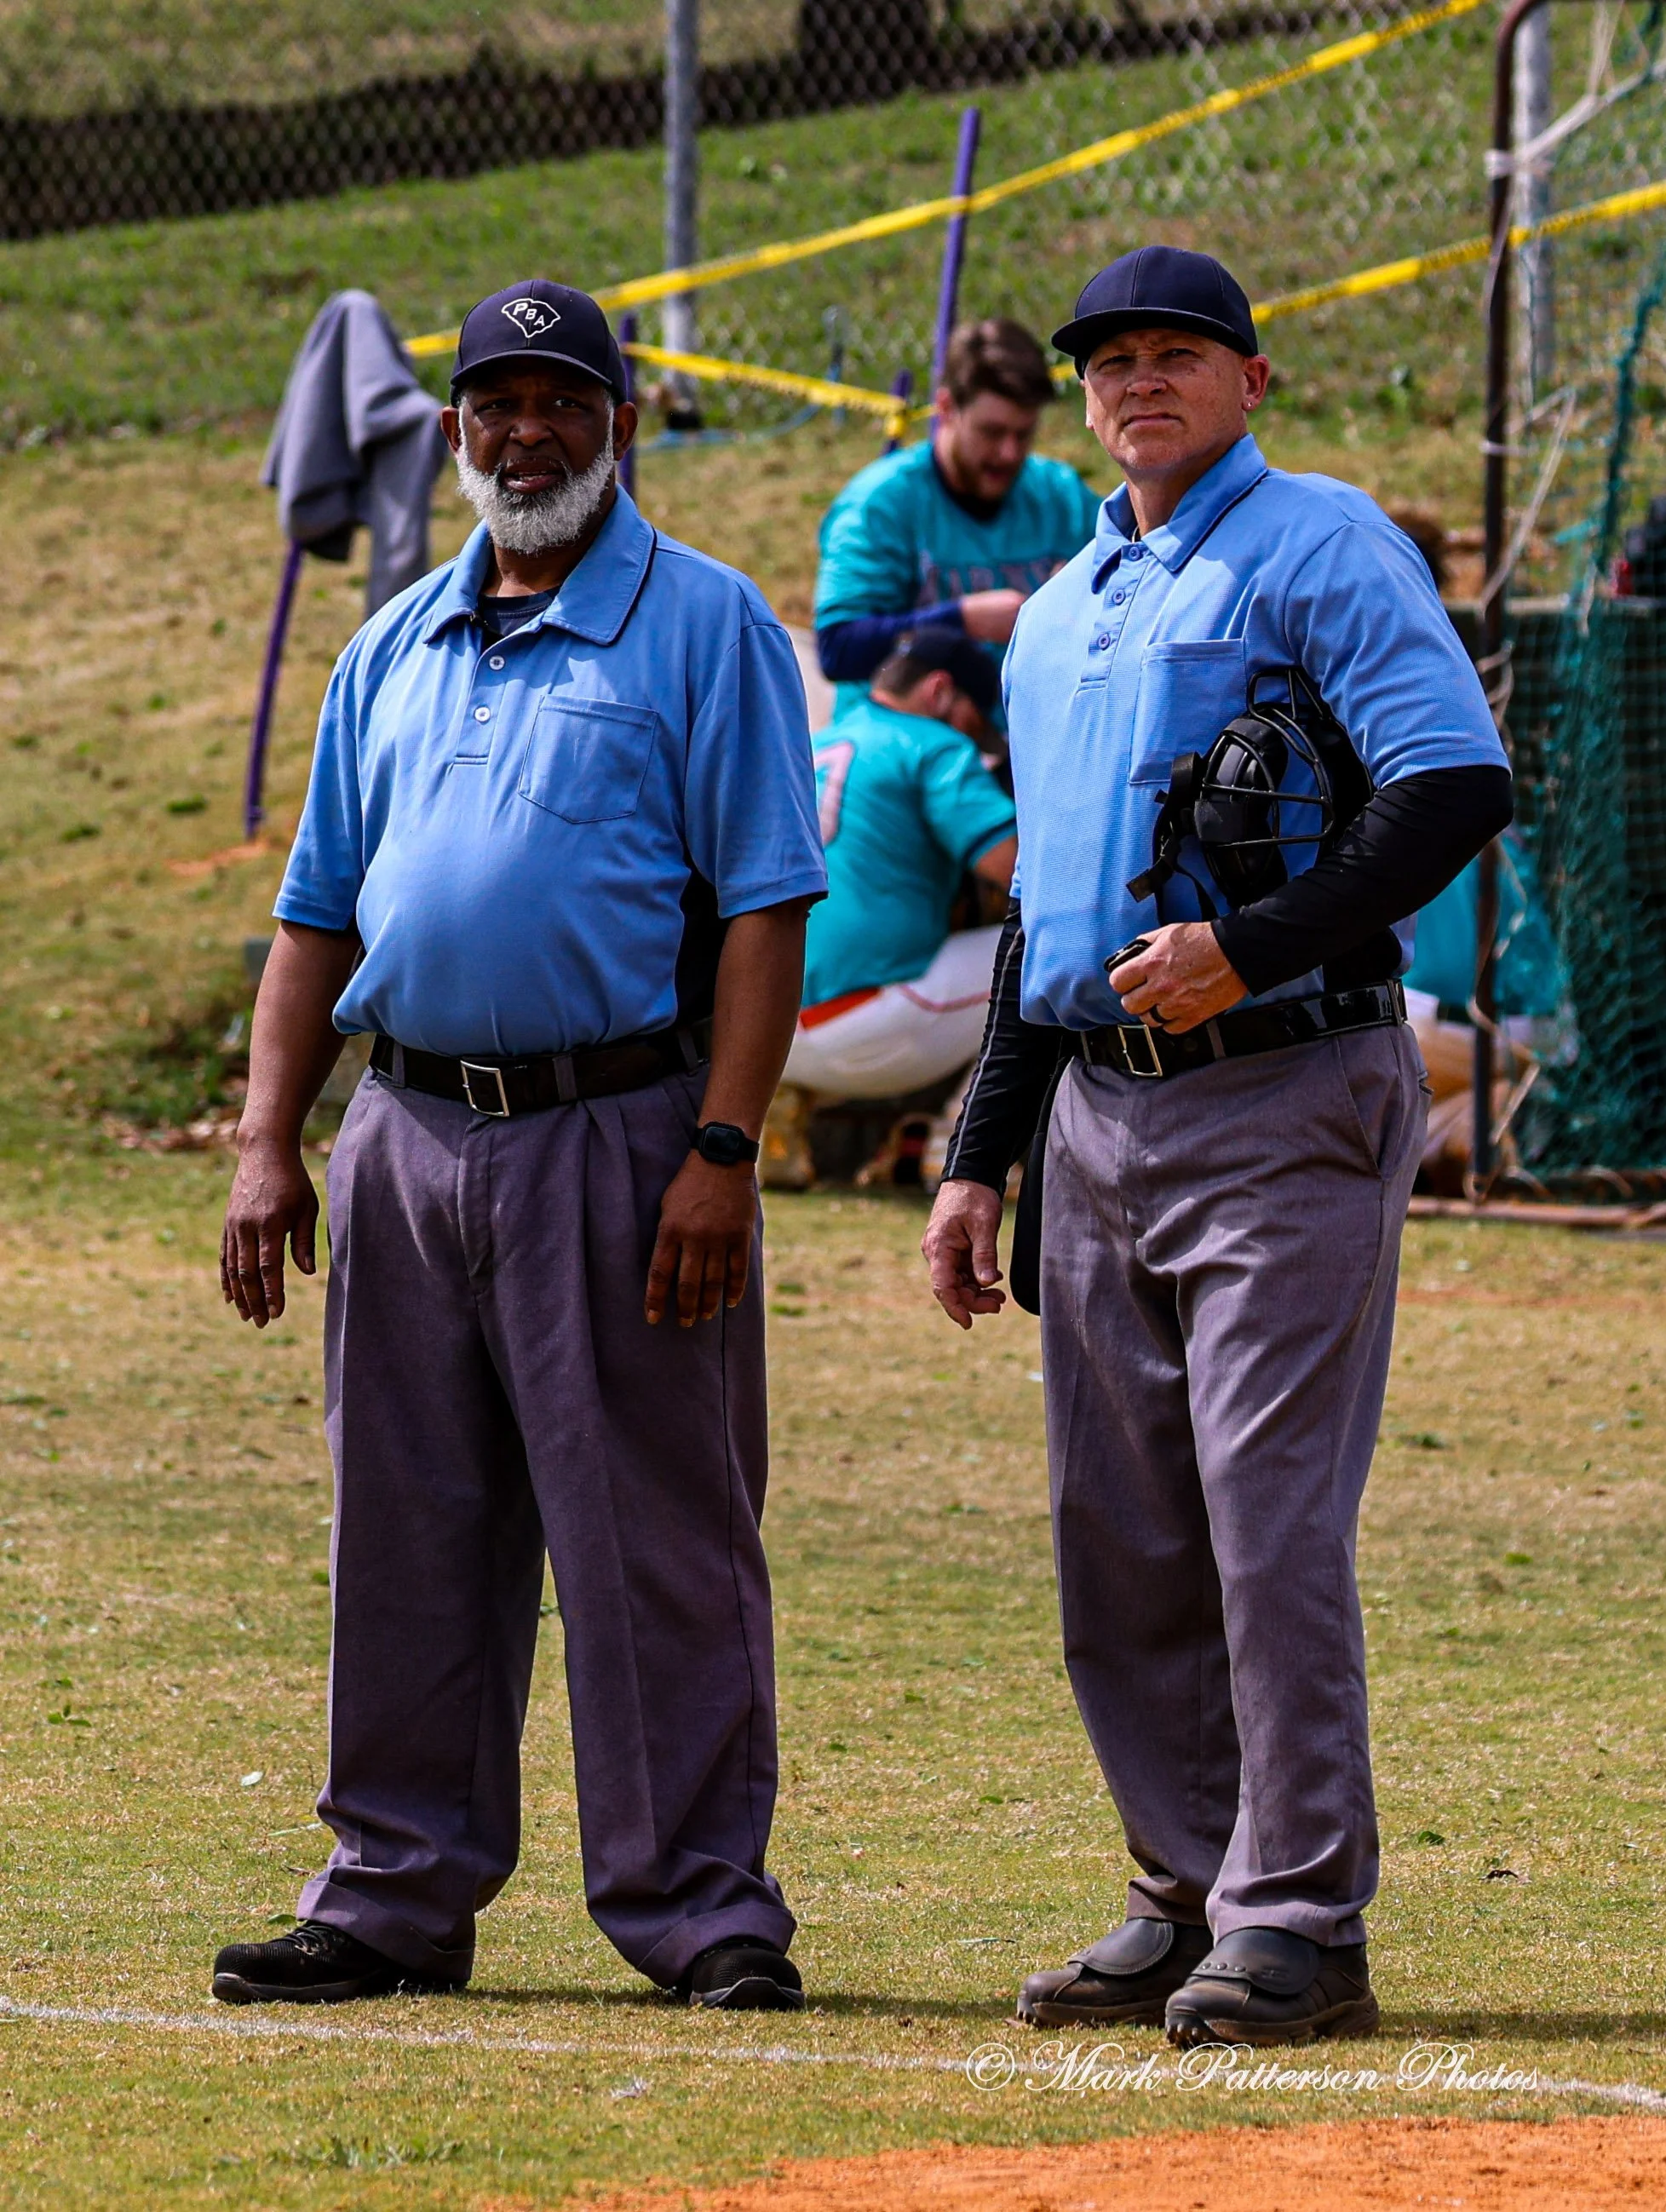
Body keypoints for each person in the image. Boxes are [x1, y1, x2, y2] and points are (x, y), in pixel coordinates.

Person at [210, 280, 826, 2013]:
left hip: (618, 1133)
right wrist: (273, 1138)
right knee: (405, 1527)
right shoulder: (388, 644)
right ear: (457, 428)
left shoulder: (704, 626)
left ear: (619, 422)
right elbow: (314, 922)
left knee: (660, 1535)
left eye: (565, 402)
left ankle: (703, 1905)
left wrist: (724, 1141)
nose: (528, 434)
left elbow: (771, 910)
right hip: (406, 1132)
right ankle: (394, 1890)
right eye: (496, 404)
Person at [921, 245, 1514, 2047]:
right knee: (1124, 1532)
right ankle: (1183, 1892)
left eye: (1180, 352)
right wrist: (978, 1147)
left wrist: (1258, 943)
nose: (1140, 380)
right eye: (1113, 359)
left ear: (1254, 378)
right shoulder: (1075, 599)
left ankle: (1300, 1917)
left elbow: (1454, 782)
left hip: (1284, 1087)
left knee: (1264, 1522)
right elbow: (1054, 917)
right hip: (1099, 1108)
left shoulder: (1323, 542)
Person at [765, 626, 1017, 1191]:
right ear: (939, 691)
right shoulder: (933, 744)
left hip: (768, 1031)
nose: (978, 733)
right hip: (870, 1025)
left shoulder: (816, 740)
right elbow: (1019, 868)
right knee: (1050, 950)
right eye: (975, 715)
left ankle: (779, 1121)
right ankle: (962, 1142)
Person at [813, 318, 1098, 721]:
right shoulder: (881, 505)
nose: (1009, 454)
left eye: (1024, 434)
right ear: (946, 409)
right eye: (992, 432)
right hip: (904, 756)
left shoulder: (1061, 497)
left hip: (1015, 746)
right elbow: (837, 649)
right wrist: (961, 620)